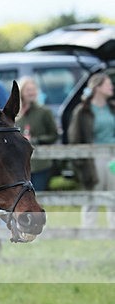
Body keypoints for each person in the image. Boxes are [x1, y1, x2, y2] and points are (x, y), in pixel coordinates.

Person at [67, 73, 115, 228]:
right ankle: (88, 229)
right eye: (108, 84)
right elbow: (74, 138)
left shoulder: (112, 108)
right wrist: (81, 163)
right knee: (92, 194)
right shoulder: (82, 111)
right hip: (94, 157)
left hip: (113, 155)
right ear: (98, 88)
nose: (111, 87)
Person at [16, 77, 58, 191]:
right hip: (20, 165)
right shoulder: (16, 115)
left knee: (37, 195)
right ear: (21, 92)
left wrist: (36, 140)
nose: (31, 93)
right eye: (28, 90)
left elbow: (54, 135)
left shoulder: (44, 112)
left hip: (40, 164)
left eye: (33, 90)